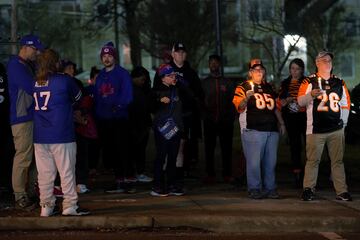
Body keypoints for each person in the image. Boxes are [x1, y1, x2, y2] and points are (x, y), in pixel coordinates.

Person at [33, 48, 89, 216]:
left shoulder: (35, 82)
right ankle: (70, 205)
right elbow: (80, 98)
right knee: (66, 172)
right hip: (61, 133)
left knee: (45, 174)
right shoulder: (64, 80)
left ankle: (46, 206)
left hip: (40, 135)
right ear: (55, 63)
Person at [298, 51, 352, 201]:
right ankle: (308, 189)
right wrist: (311, 96)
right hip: (315, 129)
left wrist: (343, 124)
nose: (328, 63)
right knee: (313, 161)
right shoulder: (308, 81)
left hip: (336, 129)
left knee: (338, 161)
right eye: (324, 60)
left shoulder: (339, 82)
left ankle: (342, 190)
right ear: (317, 63)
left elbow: (345, 104)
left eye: (329, 60)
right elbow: (300, 102)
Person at [233, 61, 286, 199]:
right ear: (250, 72)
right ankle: (254, 188)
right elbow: (239, 107)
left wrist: (281, 123)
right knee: (254, 162)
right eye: (255, 69)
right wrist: (247, 97)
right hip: (253, 128)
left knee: (270, 162)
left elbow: (275, 107)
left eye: (261, 69)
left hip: (271, 129)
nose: (259, 71)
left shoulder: (269, 87)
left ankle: (270, 187)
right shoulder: (243, 87)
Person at [154, 42, 203, 182]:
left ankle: (177, 179)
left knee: (180, 148)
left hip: (184, 117)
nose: (180, 54)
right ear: (173, 54)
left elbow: (198, 94)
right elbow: (155, 93)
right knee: (165, 149)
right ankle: (162, 180)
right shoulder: (164, 70)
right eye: (178, 52)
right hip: (167, 117)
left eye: (183, 52)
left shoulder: (191, 73)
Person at [6, 34, 44, 210]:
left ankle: (31, 192)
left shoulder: (28, 65)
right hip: (22, 118)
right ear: (26, 47)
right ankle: (20, 196)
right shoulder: (15, 65)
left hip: (32, 116)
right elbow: (32, 87)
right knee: (23, 157)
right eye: (35, 50)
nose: (37, 53)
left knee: (36, 158)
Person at [94, 42, 134, 193]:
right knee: (111, 151)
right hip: (105, 119)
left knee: (123, 149)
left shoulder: (122, 74)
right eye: (104, 56)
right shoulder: (101, 75)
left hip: (119, 119)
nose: (106, 58)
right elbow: (98, 96)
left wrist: (118, 106)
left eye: (109, 56)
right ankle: (118, 180)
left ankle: (128, 181)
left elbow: (128, 95)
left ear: (114, 57)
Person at [201, 54, 236, 184]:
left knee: (226, 149)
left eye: (216, 62)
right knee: (209, 149)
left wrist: (230, 117)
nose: (214, 64)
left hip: (225, 122)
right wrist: (205, 115)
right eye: (211, 62)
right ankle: (210, 174)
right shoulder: (205, 83)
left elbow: (234, 101)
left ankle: (227, 174)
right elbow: (200, 101)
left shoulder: (227, 82)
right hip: (209, 121)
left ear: (220, 65)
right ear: (209, 65)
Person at [151, 64, 184, 196]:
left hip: (176, 128)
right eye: (170, 75)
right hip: (162, 129)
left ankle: (171, 184)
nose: (173, 77)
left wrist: (181, 82)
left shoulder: (177, 89)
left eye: (174, 75)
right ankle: (157, 185)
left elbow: (190, 96)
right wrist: (159, 100)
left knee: (172, 157)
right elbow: (150, 106)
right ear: (163, 78)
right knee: (161, 156)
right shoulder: (156, 91)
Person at [278, 58, 307, 188]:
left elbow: (310, 98)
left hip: (305, 118)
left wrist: (300, 100)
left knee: (309, 146)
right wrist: (287, 100)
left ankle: (310, 174)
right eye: (292, 69)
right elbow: (281, 101)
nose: (295, 72)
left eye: (297, 69)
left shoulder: (307, 82)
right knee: (295, 146)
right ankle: (297, 174)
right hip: (291, 119)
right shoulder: (285, 83)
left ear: (302, 70)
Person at [128, 66, 153, 182]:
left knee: (139, 150)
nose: (143, 82)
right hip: (134, 124)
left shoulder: (142, 90)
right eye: (142, 79)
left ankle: (138, 172)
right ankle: (136, 172)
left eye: (144, 80)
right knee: (135, 150)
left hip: (142, 124)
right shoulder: (131, 90)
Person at [0, 63, 15, 194]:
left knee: (7, 152)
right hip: (5, 117)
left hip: (5, 118)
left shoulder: (2, 68)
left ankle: (5, 183)